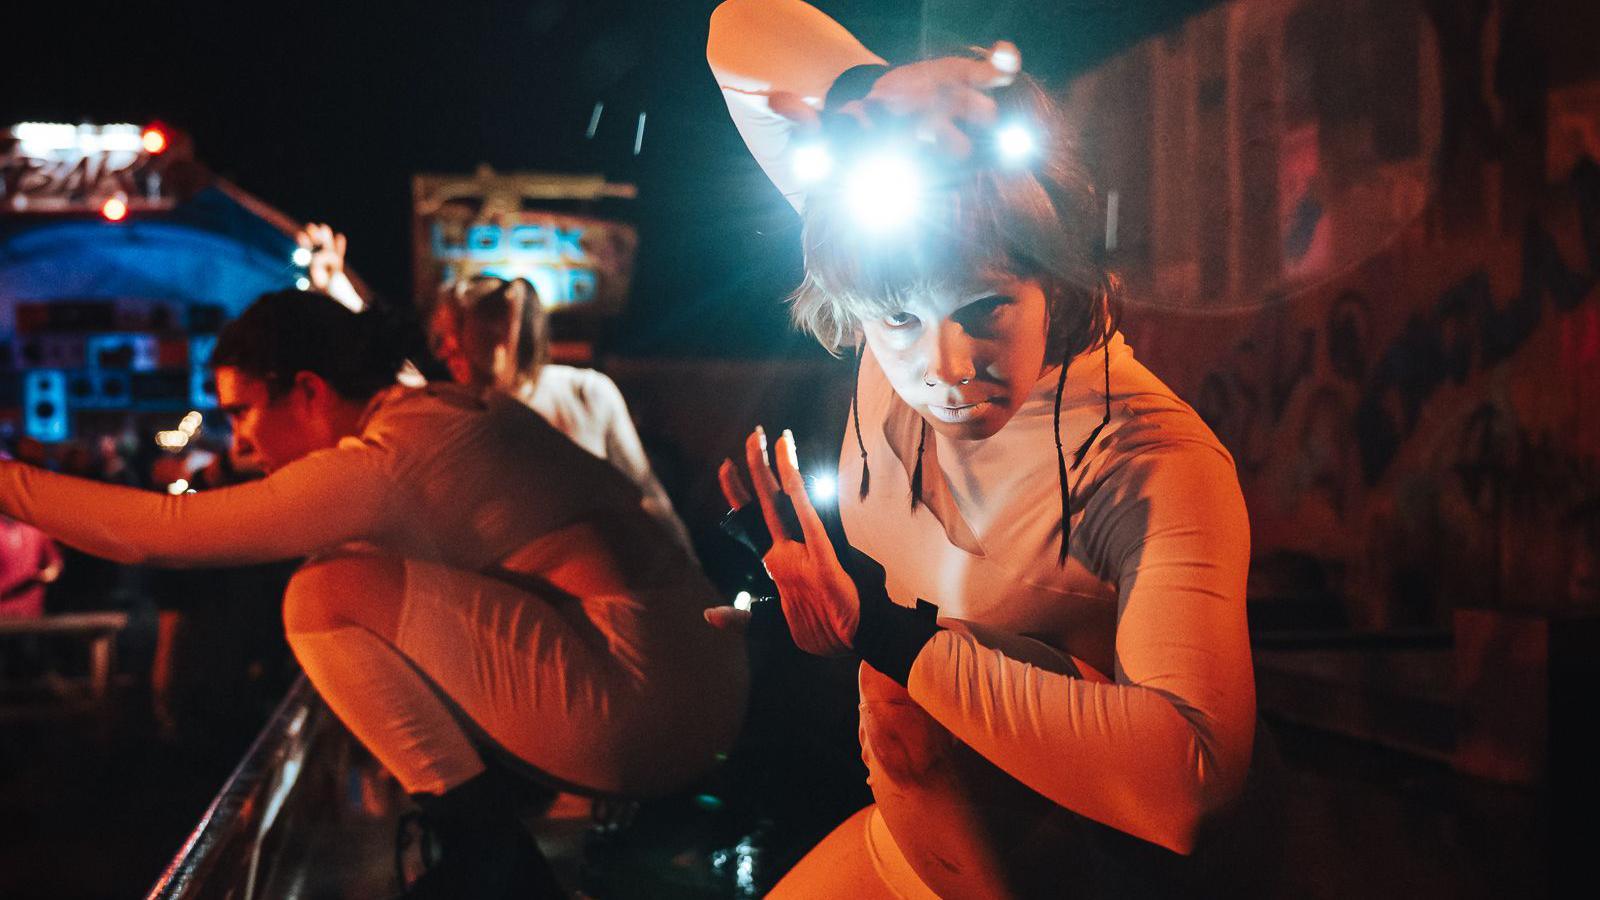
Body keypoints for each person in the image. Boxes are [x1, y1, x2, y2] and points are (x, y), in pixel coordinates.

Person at [707, 1, 1260, 897]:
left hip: (1099, 873)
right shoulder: (885, 259)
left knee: (904, 700)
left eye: (986, 309)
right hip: (922, 840)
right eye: (898, 320)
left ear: (1058, 281)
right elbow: (738, 31)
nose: (944, 366)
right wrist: (866, 93)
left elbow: (1190, 785)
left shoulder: (1150, 457)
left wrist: (884, 636)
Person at [0, 290, 748, 899]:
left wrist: (9, 483)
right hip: (701, 686)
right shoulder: (442, 410)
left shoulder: (384, 461)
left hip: (639, 706)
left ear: (309, 392)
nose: (239, 446)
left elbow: (158, 531)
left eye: (242, 412)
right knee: (347, 570)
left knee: (322, 594)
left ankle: (488, 859)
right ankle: (488, 853)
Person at [298, 224, 694, 551]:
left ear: (502, 333)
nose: (447, 349)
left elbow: (647, 497)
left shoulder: (586, 392)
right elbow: (393, 367)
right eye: (441, 338)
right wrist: (336, 287)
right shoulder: (456, 409)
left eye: (457, 334)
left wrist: (692, 578)